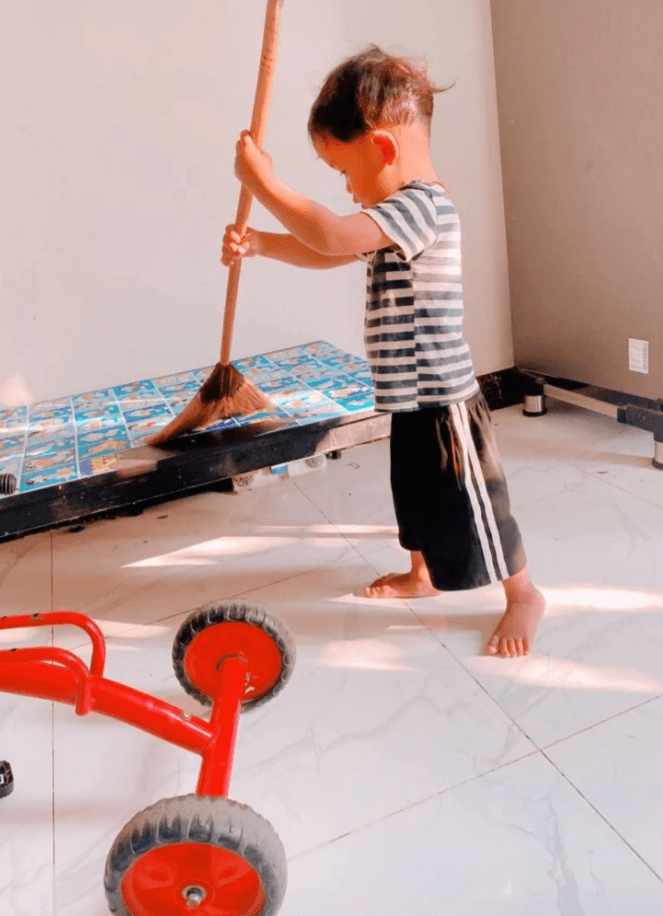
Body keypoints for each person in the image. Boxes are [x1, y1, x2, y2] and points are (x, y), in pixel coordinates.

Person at [221, 46, 545, 658]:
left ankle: (523, 592)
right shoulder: (393, 215)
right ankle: (423, 574)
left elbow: (331, 234)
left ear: (383, 149)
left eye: (344, 171)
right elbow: (330, 250)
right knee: (416, 498)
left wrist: (262, 183)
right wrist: (262, 243)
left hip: (445, 401)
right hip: (408, 397)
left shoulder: (424, 207)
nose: (347, 188)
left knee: (478, 504)